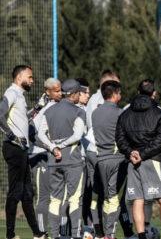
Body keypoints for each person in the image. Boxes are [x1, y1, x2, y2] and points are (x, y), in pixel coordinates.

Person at [116, 79, 161, 239]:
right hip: (154, 159)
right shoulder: (160, 112)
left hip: (132, 161)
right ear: (154, 93)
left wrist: (131, 153)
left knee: (138, 200)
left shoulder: (125, 113)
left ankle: (141, 236)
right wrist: (142, 154)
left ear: (138, 92)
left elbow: (120, 139)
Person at [37, 79, 87, 239]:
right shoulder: (79, 111)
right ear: (73, 94)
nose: (80, 95)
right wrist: (62, 144)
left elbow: (40, 134)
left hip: (53, 161)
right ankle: (74, 235)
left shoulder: (48, 111)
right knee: (74, 199)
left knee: (55, 199)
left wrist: (53, 148)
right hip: (73, 161)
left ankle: (54, 236)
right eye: (79, 92)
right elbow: (78, 135)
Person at [0, 65, 44, 239]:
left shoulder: (20, 96)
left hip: (21, 149)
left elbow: (23, 119)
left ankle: (37, 233)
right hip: (14, 148)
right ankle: (10, 235)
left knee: (27, 193)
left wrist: (38, 107)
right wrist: (12, 136)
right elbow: (0, 115)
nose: (32, 80)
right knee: (16, 191)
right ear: (19, 78)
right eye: (30, 77)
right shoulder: (12, 92)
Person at [92, 80, 132, 239]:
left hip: (101, 159)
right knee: (114, 198)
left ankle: (106, 234)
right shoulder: (120, 113)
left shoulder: (95, 113)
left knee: (108, 197)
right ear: (115, 94)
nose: (121, 96)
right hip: (118, 159)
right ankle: (110, 234)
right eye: (120, 93)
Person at [85, 70, 120, 238]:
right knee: (108, 195)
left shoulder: (92, 99)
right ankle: (106, 232)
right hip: (102, 152)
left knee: (96, 193)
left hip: (92, 151)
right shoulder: (101, 102)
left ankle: (97, 230)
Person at [29, 78, 62, 237]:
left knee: (59, 196)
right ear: (47, 92)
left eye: (61, 90)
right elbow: (31, 134)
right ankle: (40, 233)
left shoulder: (59, 107)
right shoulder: (43, 109)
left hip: (54, 156)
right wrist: (49, 146)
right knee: (44, 196)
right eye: (56, 91)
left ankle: (62, 232)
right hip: (39, 155)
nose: (60, 93)